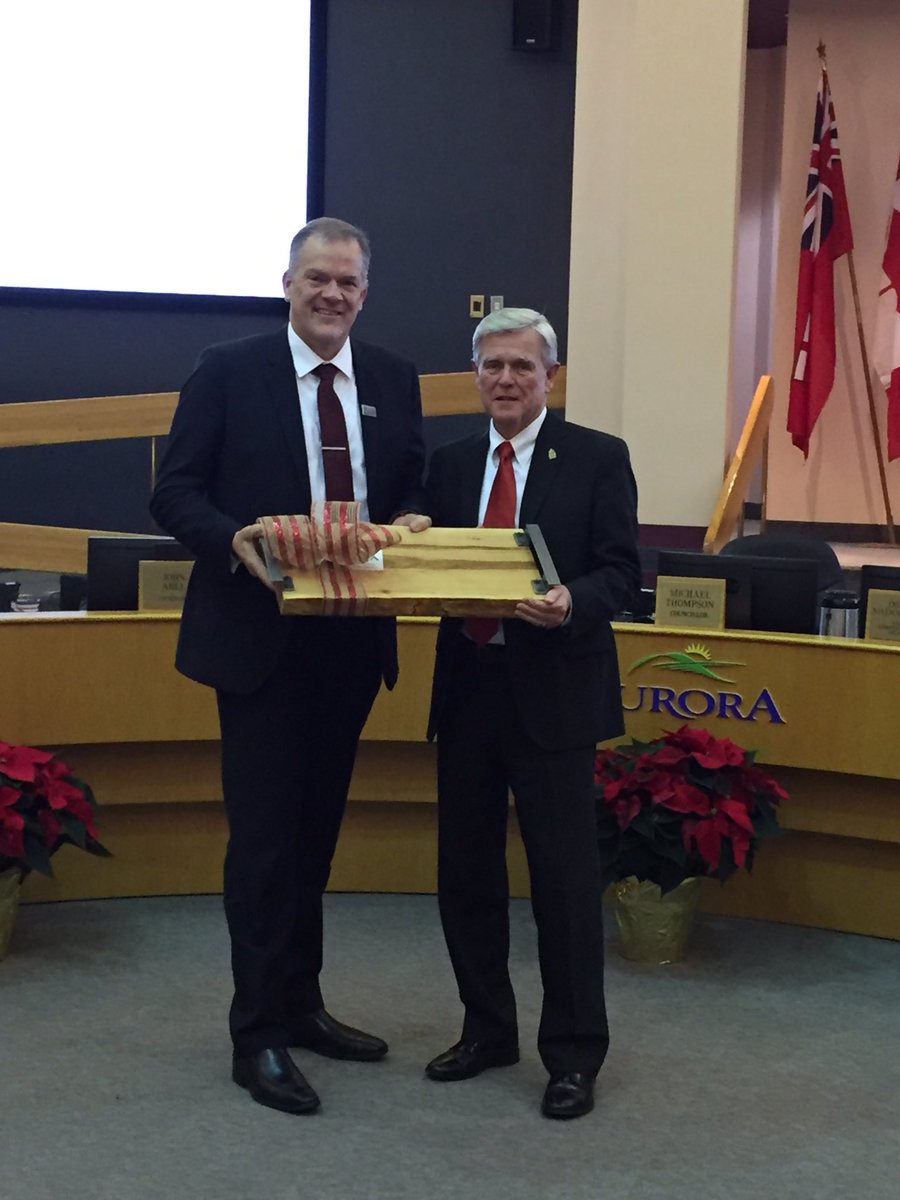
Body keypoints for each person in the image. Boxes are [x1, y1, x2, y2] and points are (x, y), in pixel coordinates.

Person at [149, 217, 429, 1115]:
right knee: (265, 846)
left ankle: (302, 1005)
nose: (332, 294)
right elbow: (174, 491)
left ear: (364, 293)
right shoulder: (227, 369)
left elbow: (411, 487)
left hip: (350, 642)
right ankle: (257, 1035)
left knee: (314, 842)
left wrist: (414, 521)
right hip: (259, 642)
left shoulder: (391, 378)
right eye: (317, 278)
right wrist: (230, 539)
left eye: (348, 282)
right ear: (287, 283)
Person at [423, 307, 640, 1119]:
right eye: (493, 367)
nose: (506, 380)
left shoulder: (595, 457)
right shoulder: (446, 465)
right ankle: (487, 1031)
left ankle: (574, 1054)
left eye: (521, 367)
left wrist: (571, 601)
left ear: (550, 376)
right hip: (468, 691)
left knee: (564, 883)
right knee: (466, 875)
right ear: (476, 376)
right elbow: (422, 561)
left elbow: (622, 573)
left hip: (555, 695)